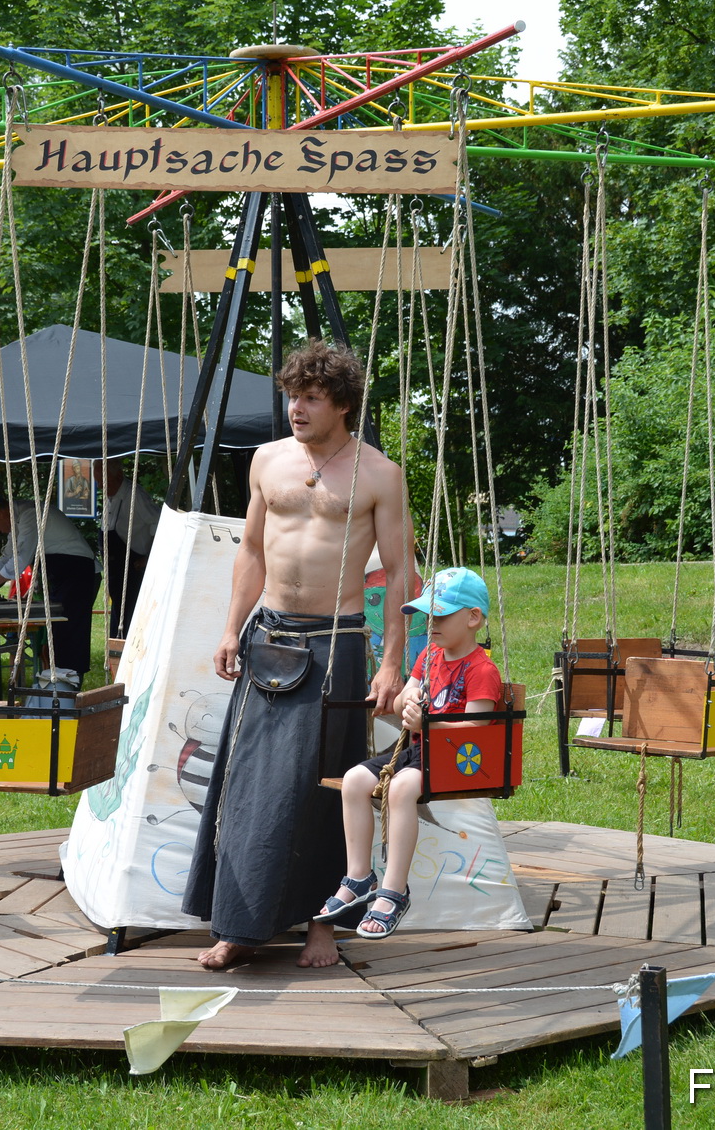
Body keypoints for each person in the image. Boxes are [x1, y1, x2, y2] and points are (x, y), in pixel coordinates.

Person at [183, 340, 410, 970]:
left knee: (326, 789)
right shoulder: (266, 461)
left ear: (342, 404)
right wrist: (231, 629)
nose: (296, 408)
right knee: (251, 786)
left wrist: (391, 663)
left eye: (311, 398)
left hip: (337, 644)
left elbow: (397, 576)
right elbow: (251, 550)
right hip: (270, 638)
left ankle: (322, 928)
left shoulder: (378, 474)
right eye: (292, 396)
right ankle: (238, 927)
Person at [319, 568, 501, 939]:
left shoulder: (482, 670)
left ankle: (394, 889)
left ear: (473, 618)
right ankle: (358, 876)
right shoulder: (430, 656)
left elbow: (477, 730)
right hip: (416, 748)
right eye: (428, 615)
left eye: (442, 615)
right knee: (354, 780)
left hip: (455, 757)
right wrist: (409, 698)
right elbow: (406, 694)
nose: (431, 623)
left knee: (401, 788)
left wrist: (427, 725)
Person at [0, 492, 99, 685]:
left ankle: (70, 688)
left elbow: (20, 560)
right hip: (64, 576)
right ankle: (61, 686)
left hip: (79, 574)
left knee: (70, 635)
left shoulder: (31, 514)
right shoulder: (18, 518)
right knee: (58, 635)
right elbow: (6, 558)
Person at [97, 459, 161, 638]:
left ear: (117, 476)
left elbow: (158, 522)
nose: (100, 486)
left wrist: (150, 557)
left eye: (102, 481)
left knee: (132, 617)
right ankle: (116, 654)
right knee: (119, 616)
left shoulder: (134, 496)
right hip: (117, 570)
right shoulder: (111, 498)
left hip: (133, 569)